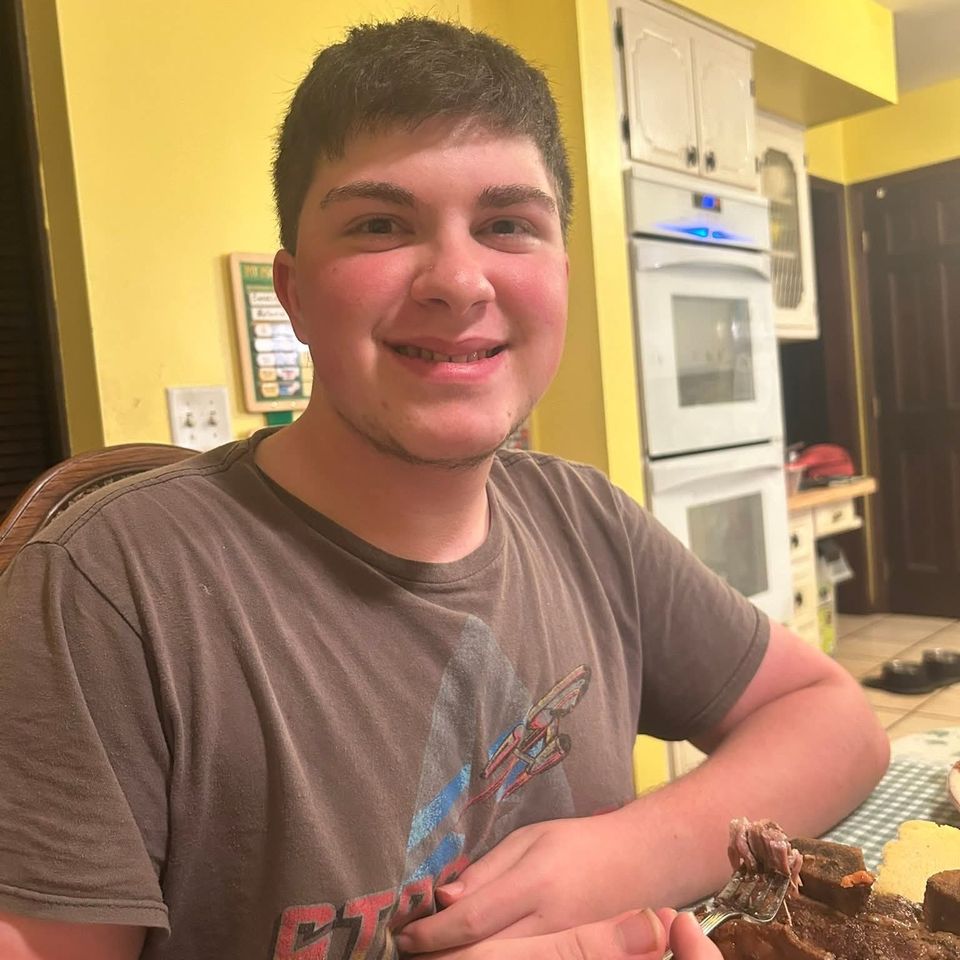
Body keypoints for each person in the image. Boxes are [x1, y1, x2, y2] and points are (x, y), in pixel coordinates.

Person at [0, 15, 888, 960]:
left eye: (507, 225)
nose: (459, 282)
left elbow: (837, 722)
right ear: (294, 294)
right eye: (379, 224)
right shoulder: (105, 591)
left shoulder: (584, 520)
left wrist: (627, 857)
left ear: (560, 277)